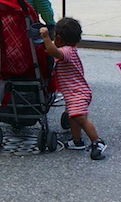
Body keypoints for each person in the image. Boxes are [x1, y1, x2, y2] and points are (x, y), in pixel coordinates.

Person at [40, 18, 107, 160]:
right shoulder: (70, 49)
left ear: (58, 38)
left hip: (77, 93)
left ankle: (97, 142)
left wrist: (45, 38)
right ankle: (77, 141)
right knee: (73, 117)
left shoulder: (66, 51)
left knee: (79, 118)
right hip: (75, 92)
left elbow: (53, 51)